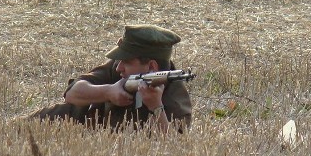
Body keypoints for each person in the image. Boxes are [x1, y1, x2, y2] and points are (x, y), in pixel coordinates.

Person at [28, 24, 192, 133]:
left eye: (126, 62)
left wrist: (157, 108)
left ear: (152, 67)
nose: (118, 67)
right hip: (77, 122)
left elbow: (175, 150)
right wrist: (108, 92)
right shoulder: (118, 68)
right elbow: (72, 93)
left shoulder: (174, 99)